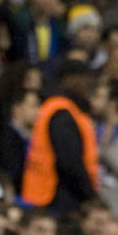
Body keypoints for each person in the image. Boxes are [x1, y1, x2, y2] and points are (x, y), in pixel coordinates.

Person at [21, 60, 99, 216]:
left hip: (52, 192)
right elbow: (69, 161)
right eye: (85, 79)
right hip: (56, 195)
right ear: (69, 79)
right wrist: (90, 196)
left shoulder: (63, 108)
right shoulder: (61, 111)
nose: (89, 84)